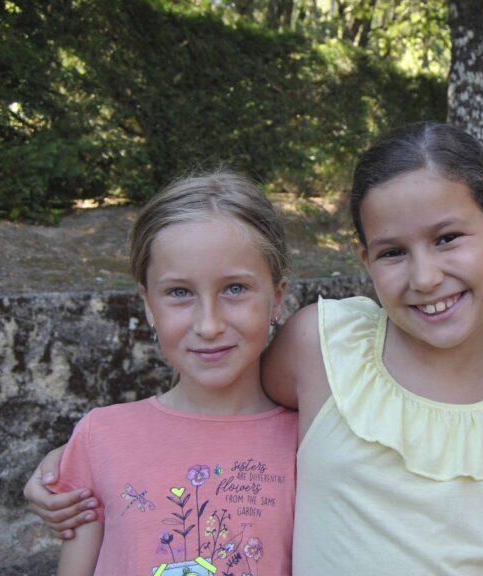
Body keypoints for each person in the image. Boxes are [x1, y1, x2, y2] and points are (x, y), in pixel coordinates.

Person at [26, 122, 483, 575]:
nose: (425, 277)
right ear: (366, 260)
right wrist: (78, 457)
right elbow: (213, 414)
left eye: (447, 238)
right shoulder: (325, 349)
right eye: (393, 252)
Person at [50, 170, 298, 575]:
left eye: (235, 288)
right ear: (148, 304)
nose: (209, 325)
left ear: (277, 298)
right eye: (179, 292)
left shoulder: (312, 444)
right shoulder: (99, 438)